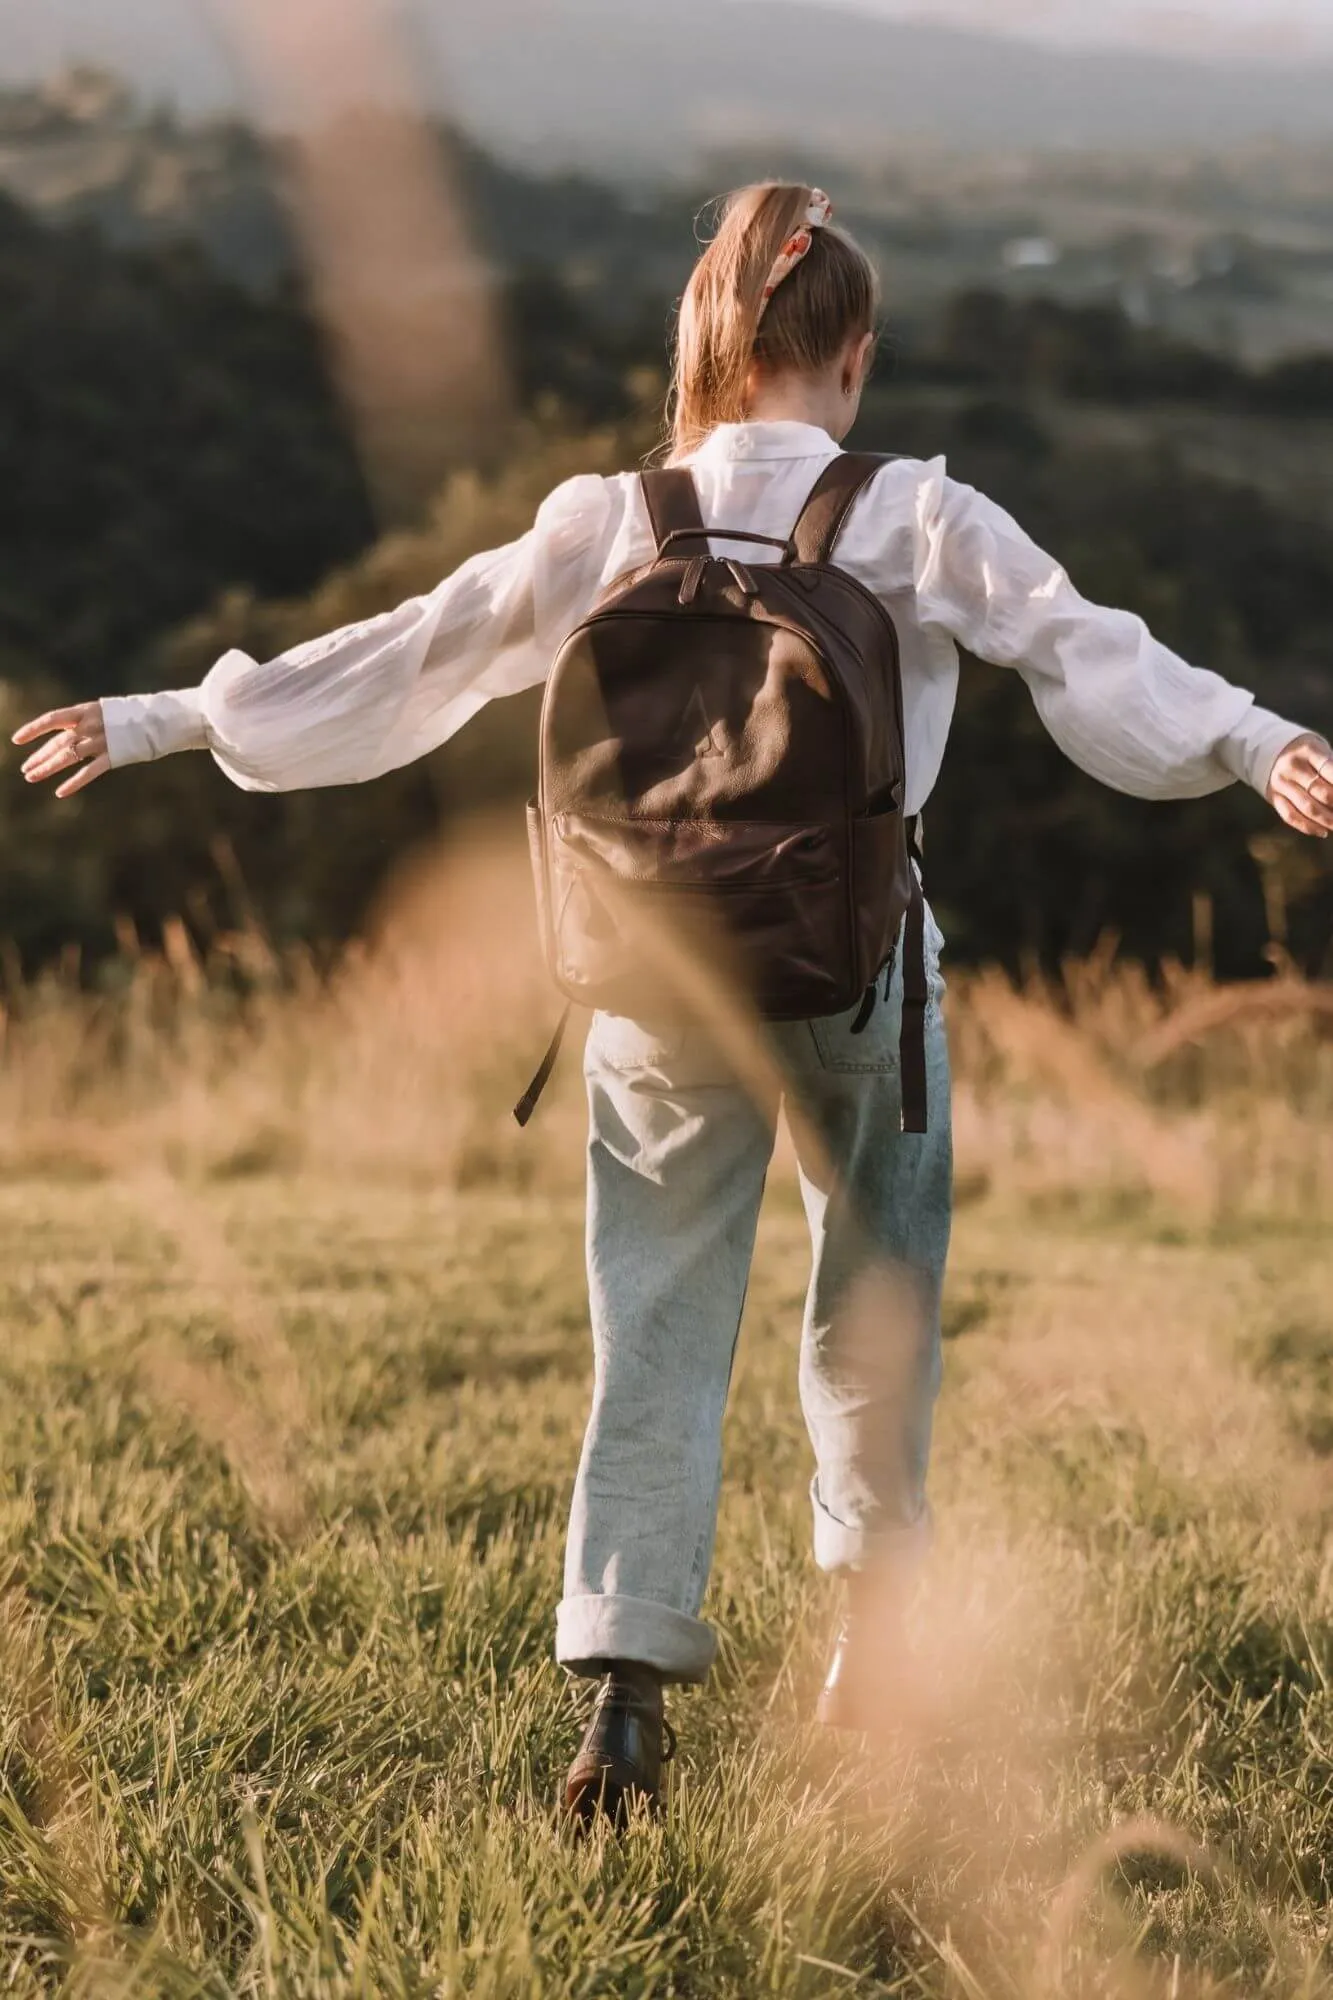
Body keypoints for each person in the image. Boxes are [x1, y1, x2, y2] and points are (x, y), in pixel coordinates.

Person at [16, 183, 1333, 1826]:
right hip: (859, 968)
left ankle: (622, 1704)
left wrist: (169, 719)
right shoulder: (913, 510)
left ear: (707, 347)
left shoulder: (607, 519)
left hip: (650, 971)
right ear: (849, 356)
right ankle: (871, 1651)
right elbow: (1091, 657)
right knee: (877, 1294)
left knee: (651, 1322)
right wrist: (1254, 742)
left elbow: (414, 656)